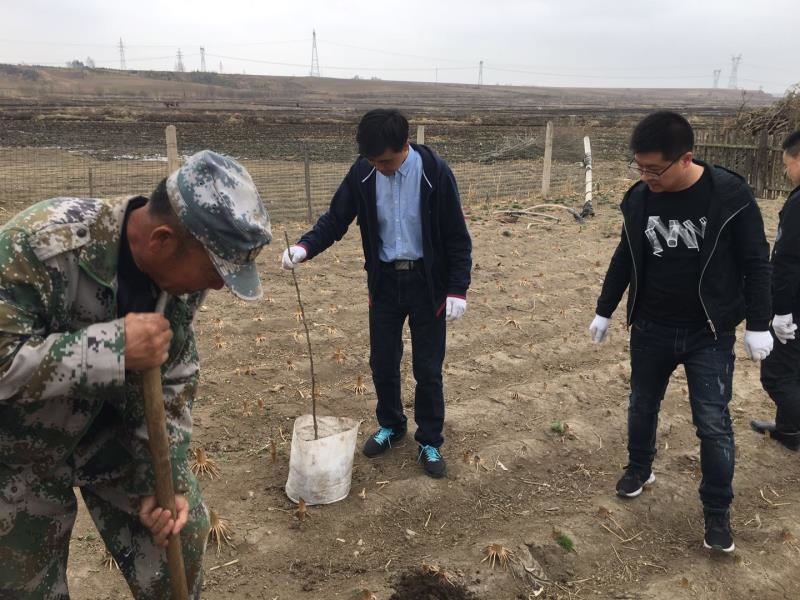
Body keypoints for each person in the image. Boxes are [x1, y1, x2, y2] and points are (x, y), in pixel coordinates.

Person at [0, 150, 272, 598]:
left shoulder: (176, 282)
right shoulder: (38, 247)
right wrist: (110, 349)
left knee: (178, 537)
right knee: (19, 584)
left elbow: (175, 375)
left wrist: (158, 480)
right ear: (162, 240)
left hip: (112, 438)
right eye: (216, 272)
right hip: (16, 448)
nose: (219, 286)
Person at [588, 111, 772, 553]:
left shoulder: (729, 196)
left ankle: (717, 512)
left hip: (708, 331)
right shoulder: (639, 199)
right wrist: (604, 310)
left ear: (686, 158)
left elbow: (755, 262)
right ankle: (638, 468)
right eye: (640, 167)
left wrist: (760, 324)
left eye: (655, 169)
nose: (646, 176)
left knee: (712, 423)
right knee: (641, 403)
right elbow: (624, 256)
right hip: (650, 325)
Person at [281, 108, 472, 478]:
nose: (379, 167)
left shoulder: (435, 173)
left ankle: (429, 439)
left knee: (428, 369)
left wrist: (457, 289)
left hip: (427, 285)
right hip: (384, 282)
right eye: (372, 160)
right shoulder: (363, 172)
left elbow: (456, 237)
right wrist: (304, 248)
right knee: (382, 363)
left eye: (384, 160)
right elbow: (335, 220)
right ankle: (392, 425)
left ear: (404, 146)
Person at [752, 131, 800, 450]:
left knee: (777, 375)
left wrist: (781, 311)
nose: (785, 171)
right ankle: (788, 430)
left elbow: (786, 261)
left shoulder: (798, 204)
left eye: (787, 164)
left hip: (794, 306)